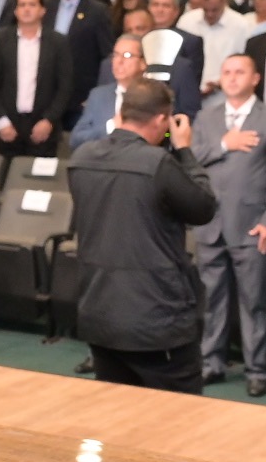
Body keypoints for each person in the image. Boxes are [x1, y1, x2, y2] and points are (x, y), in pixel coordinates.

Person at [67, 76, 218, 388]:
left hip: (100, 311)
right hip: (156, 316)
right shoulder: (158, 163)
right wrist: (185, 151)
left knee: (117, 416)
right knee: (176, 417)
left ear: (122, 113)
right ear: (163, 119)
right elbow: (203, 207)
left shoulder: (81, 159)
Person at [192, 51, 266, 393]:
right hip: (210, 224)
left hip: (252, 226)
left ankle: (257, 371)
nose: (232, 77)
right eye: (227, 72)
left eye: (240, 72)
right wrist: (225, 143)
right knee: (211, 299)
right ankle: (212, 362)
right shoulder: (206, 117)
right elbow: (192, 160)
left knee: (254, 302)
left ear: (255, 79)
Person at [0, 0, 75, 152]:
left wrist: (49, 120)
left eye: (32, 5)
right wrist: (1, 120)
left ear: (42, 10)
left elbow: (65, 87)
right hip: (8, 125)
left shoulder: (58, 42)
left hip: (43, 126)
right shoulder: (1, 39)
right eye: (22, 5)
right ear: (16, 11)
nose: (26, 9)